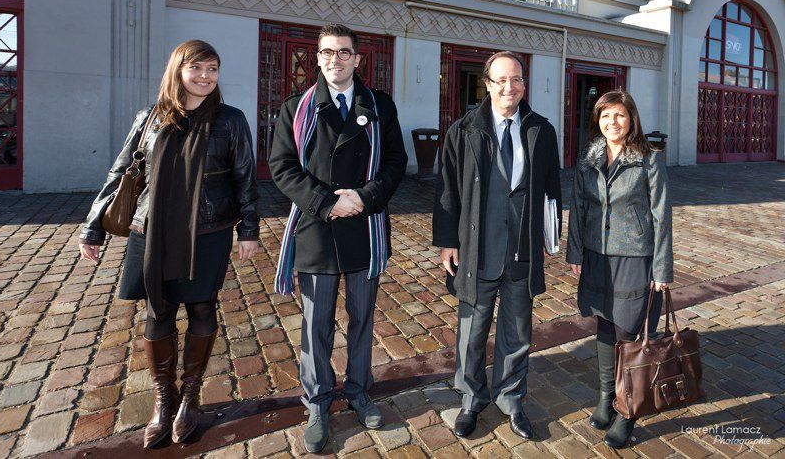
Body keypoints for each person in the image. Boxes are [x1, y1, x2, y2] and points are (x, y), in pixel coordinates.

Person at [79, 40, 260, 448]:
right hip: (152, 231)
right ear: (177, 71)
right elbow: (121, 172)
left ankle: (190, 396)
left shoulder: (230, 121)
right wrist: (93, 227)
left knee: (201, 307)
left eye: (213, 69)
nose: (205, 77)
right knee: (158, 309)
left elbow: (245, 179)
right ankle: (165, 397)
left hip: (208, 232)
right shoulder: (150, 118)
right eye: (196, 68)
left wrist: (248, 229)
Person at [268, 23, 407, 453]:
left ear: (357, 59)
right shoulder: (297, 108)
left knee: (363, 320)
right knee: (316, 325)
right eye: (327, 52)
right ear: (318, 57)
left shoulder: (379, 105)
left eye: (344, 52)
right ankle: (318, 400)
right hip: (316, 229)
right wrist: (327, 202)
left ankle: (360, 390)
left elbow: (396, 160)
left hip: (364, 227)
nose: (335, 59)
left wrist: (364, 198)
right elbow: (282, 168)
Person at [433, 51, 562, 440]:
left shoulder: (542, 129)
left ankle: (511, 398)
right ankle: (471, 399)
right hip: (477, 248)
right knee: (472, 331)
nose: (510, 87)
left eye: (518, 79)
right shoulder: (464, 130)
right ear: (486, 84)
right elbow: (447, 190)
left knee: (517, 330)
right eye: (502, 79)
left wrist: (549, 235)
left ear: (524, 84)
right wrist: (446, 242)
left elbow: (552, 189)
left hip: (522, 248)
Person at [566, 90, 673, 449]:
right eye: (605, 116)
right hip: (597, 255)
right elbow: (578, 207)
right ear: (598, 121)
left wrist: (662, 268)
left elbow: (661, 215)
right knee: (604, 325)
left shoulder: (648, 160)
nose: (613, 123)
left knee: (632, 334)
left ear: (632, 120)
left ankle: (628, 410)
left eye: (620, 116)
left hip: (635, 258)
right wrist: (576, 253)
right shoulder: (589, 158)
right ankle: (604, 397)